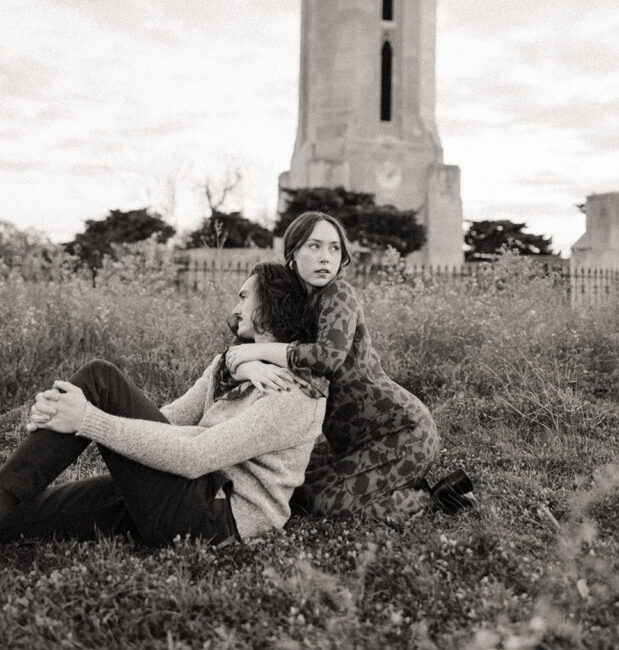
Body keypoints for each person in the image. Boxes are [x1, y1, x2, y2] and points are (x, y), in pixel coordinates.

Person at [0, 263, 325, 547]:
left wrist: (89, 419)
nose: (235, 308)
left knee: (101, 379)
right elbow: (168, 420)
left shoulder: (294, 394)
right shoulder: (226, 367)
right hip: (182, 493)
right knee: (29, 514)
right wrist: (73, 414)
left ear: (270, 304)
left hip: (217, 520)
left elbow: (195, 456)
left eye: (243, 296)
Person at [226, 212, 473, 519]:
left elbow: (328, 357)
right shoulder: (292, 302)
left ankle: (434, 499)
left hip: (403, 433)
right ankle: (395, 484)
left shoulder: (337, 293)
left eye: (334, 249)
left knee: (321, 503)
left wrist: (262, 351)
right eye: (314, 246)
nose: (325, 258)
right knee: (297, 485)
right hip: (354, 443)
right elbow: (238, 351)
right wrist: (251, 366)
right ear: (292, 253)